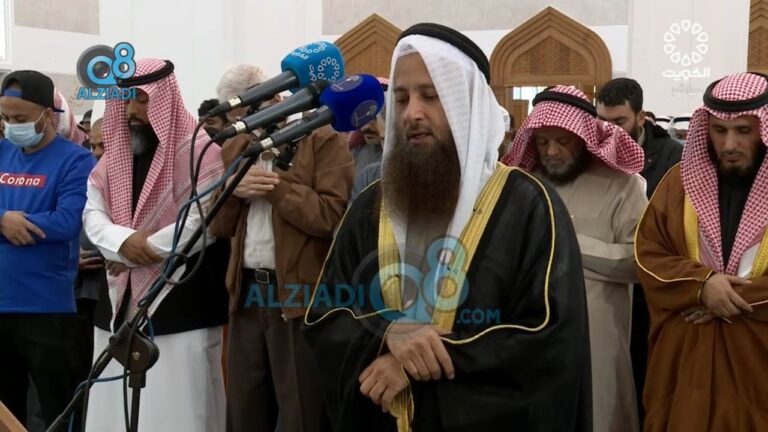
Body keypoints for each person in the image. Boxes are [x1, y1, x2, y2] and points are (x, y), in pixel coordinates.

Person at [303, 23, 592, 432]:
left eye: (431, 95)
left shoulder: (528, 205)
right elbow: (326, 314)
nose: (412, 113)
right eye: (401, 98)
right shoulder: (371, 206)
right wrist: (385, 333)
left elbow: (549, 339)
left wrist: (416, 363)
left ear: (465, 104)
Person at [82, 58, 229, 432]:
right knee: (112, 409)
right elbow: (92, 214)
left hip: (181, 299)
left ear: (164, 99)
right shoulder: (113, 154)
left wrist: (136, 252)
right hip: (118, 300)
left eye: (143, 100)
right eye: (126, 100)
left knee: (177, 406)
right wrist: (123, 243)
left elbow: (202, 222)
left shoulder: (199, 151)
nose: (132, 110)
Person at [209, 64, 353, 432]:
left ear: (273, 98)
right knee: (243, 411)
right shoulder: (238, 145)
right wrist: (233, 192)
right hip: (246, 294)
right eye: (235, 118)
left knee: (300, 412)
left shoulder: (321, 136)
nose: (241, 124)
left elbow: (331, 217)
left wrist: (275, 186)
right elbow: (219, 227)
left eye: (245, 114)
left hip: (298, 296)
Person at [503, 85, 648, 432]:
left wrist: (566, 244)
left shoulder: (624, 185)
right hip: (532, 337)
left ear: (584, 137)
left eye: (562, 141)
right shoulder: (525, 185)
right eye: (542, 142)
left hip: (598, 341)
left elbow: (640, 261)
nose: (551, 151)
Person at [635, 72, 768, 431]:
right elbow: (648, 253)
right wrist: (702, 285)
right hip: (687, 352)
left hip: (756, 357)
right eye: (719, 130)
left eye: (744, 131)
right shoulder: (677, 183)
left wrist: (728, 298)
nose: (729, 144)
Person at [0, 70, 95, 429]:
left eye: (20, 118)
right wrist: (4, 221)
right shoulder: (2, 152)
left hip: (46, 307)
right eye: (6, 118)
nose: (12, 126)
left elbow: (67, 222)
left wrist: (14, 223)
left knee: (59, 410)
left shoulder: (76, 160)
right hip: (2, 304)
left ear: (46, 113)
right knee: (7, 414)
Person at [596, 78, 683, 424]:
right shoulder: (592, 152)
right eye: (602, 121)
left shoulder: (673, 157)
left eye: (619, 122)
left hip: (652, 297)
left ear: (641, 117)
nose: (609, 130)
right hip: (608, 291)